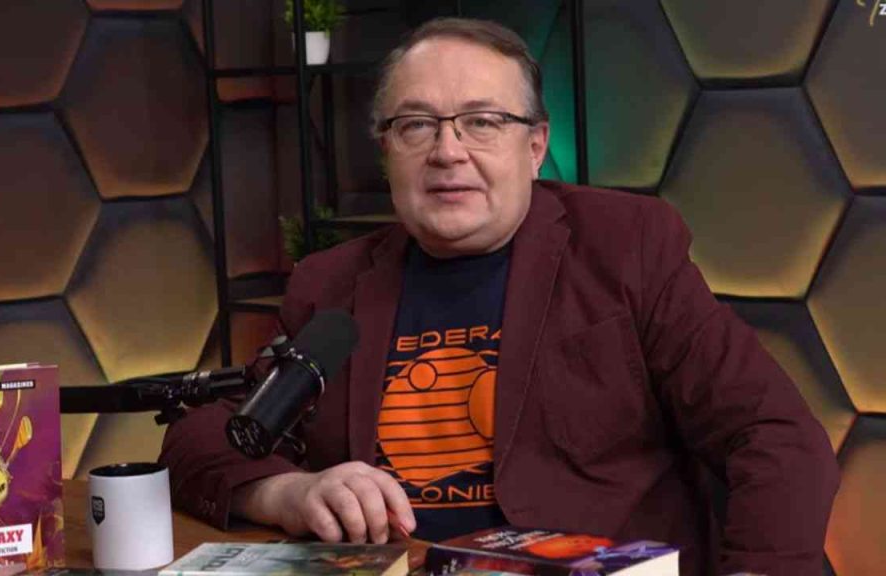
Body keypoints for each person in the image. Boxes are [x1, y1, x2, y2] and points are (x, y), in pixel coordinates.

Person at [160, 17, 839, 576]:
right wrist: (290, 492)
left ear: (536, 146)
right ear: (386, 151)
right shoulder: (330, 284)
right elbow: (202, 437)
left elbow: (773, 436)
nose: (448, 151)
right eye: (416, 125)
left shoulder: (626, 247)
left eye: (482, 121)